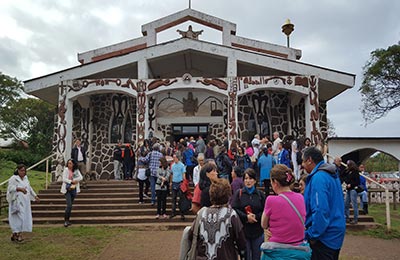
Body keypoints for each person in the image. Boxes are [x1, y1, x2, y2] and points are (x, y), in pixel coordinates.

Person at [302, 147, 345, 260]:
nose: (302, 165)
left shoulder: (319, 178)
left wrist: (312, 234)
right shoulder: (331, 175)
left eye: (303, 161)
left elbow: (320, 209)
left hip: (324, 237)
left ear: (309, 160)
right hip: (335, 232)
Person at [188, 178, 247, 259]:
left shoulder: (202, 213)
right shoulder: (231, 215)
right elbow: (241, 241)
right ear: (228, 195)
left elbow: (191, 235)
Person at [232, 168, 266, 260]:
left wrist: (256, 217)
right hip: (244, 230)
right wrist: (246, 217)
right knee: (246, 256)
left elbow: (265, 210)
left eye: (250, 179)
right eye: (246, 179)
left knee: (256, 256)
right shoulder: (239, 194)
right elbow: (234, 209)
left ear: (255, 180)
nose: (248, 181)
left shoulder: (260, 195)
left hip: (257, 231)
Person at [7, 164, 40, 242]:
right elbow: (10, 188)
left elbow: (29, 188)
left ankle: (15, 234)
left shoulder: (26, 178)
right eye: (21, 170)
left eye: (24, 170)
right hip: (16, 201)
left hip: (25, 201)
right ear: (17, 171)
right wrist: (19, 189)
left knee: (23, 218)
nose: (23, 172)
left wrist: (35, 196)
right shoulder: (13, 178)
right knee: (18, 218)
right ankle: (18, 234)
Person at [60, 159, 83, 227]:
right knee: (69, 205)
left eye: (70, 163)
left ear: (73, 164)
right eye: (68, 163)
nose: (69, 164)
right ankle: (66, 220)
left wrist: (75, 180)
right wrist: (71, 181)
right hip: (67, 189)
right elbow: (64, 179)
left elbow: (81, 177)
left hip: (74, 189)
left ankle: (68, 220)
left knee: (70, 206)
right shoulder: (66, 170)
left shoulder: (76, 170)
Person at [170, 154, 186, 220]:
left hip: (180, 182)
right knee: (173, 198)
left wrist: (184, 182)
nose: (174, 159)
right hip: (174, 182)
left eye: (175, 157)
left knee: (181, 199)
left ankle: (182, 213)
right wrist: (170, 182)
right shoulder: (172, 165)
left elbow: (183, 174)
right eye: (173, 158)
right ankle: (173, 212)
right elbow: (171, 174)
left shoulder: (182, 165)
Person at [343, 160, 360, 224]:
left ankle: (355, 219)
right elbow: (343, 175)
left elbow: (357, 182)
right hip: (348, 190)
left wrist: (351, 184)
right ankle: (347, 217)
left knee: (354, 205)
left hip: (353, 189)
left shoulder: (355, 172)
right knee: (346, 204)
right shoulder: (348, 171)